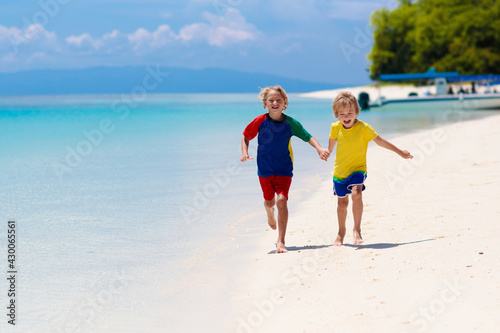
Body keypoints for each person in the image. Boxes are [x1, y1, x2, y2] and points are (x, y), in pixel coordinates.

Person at [240, 86, 330, 253]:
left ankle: (281, 242)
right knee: (269, 202)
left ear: (285, 103)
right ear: (265, 103)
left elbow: (307, 136)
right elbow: (246, 136)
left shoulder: (290, 123)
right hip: (265, 170)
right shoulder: (260, 121)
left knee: (282, 201)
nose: (275, 103)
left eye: (279, 100)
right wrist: (245, 153)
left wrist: (319, 148)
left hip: (284, 169)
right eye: (271, 100)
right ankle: (269, 214)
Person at [327, 91, 413, 246]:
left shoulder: (364, 128)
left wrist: (400, 152)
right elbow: (332, 142)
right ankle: (341, 232)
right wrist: (326, 151)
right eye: (342, 114)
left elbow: (380, 142)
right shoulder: (335, 127)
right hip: (340, 171)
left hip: (358, 168)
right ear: (336, 114)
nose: (346, 117)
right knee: (342, 204)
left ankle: (357, 229)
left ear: (357, 112)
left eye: (350, 113)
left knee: (357, 193)